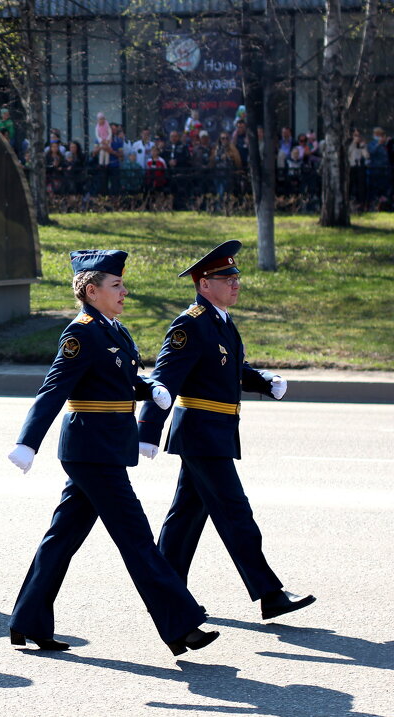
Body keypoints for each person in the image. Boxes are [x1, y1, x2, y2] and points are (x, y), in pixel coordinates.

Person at [5, 250, 218, 656]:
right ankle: (182, 626)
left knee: (62, 538)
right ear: (91, 290)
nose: (124, 291)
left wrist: (147, 386)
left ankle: (28, 620)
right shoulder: (81, 332)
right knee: (137, 538)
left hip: (103, 449)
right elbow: (55, 388)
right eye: (116, 285)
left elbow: (112, 378)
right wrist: (28, 441)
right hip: (91, 451)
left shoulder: (113, 330)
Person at [138, 241, 315, 622]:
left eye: (236, 276)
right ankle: (270, 593)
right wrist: (148, 428)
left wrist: (265, 381)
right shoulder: (191, 324)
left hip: (214, 432)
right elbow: (164, 379)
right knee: (236, 512)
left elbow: (231, 370)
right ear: (204, 284)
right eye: (226, 277)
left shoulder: (220, 320)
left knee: (185, 516)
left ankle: (166, 592)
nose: (235, 282)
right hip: (201, 434)